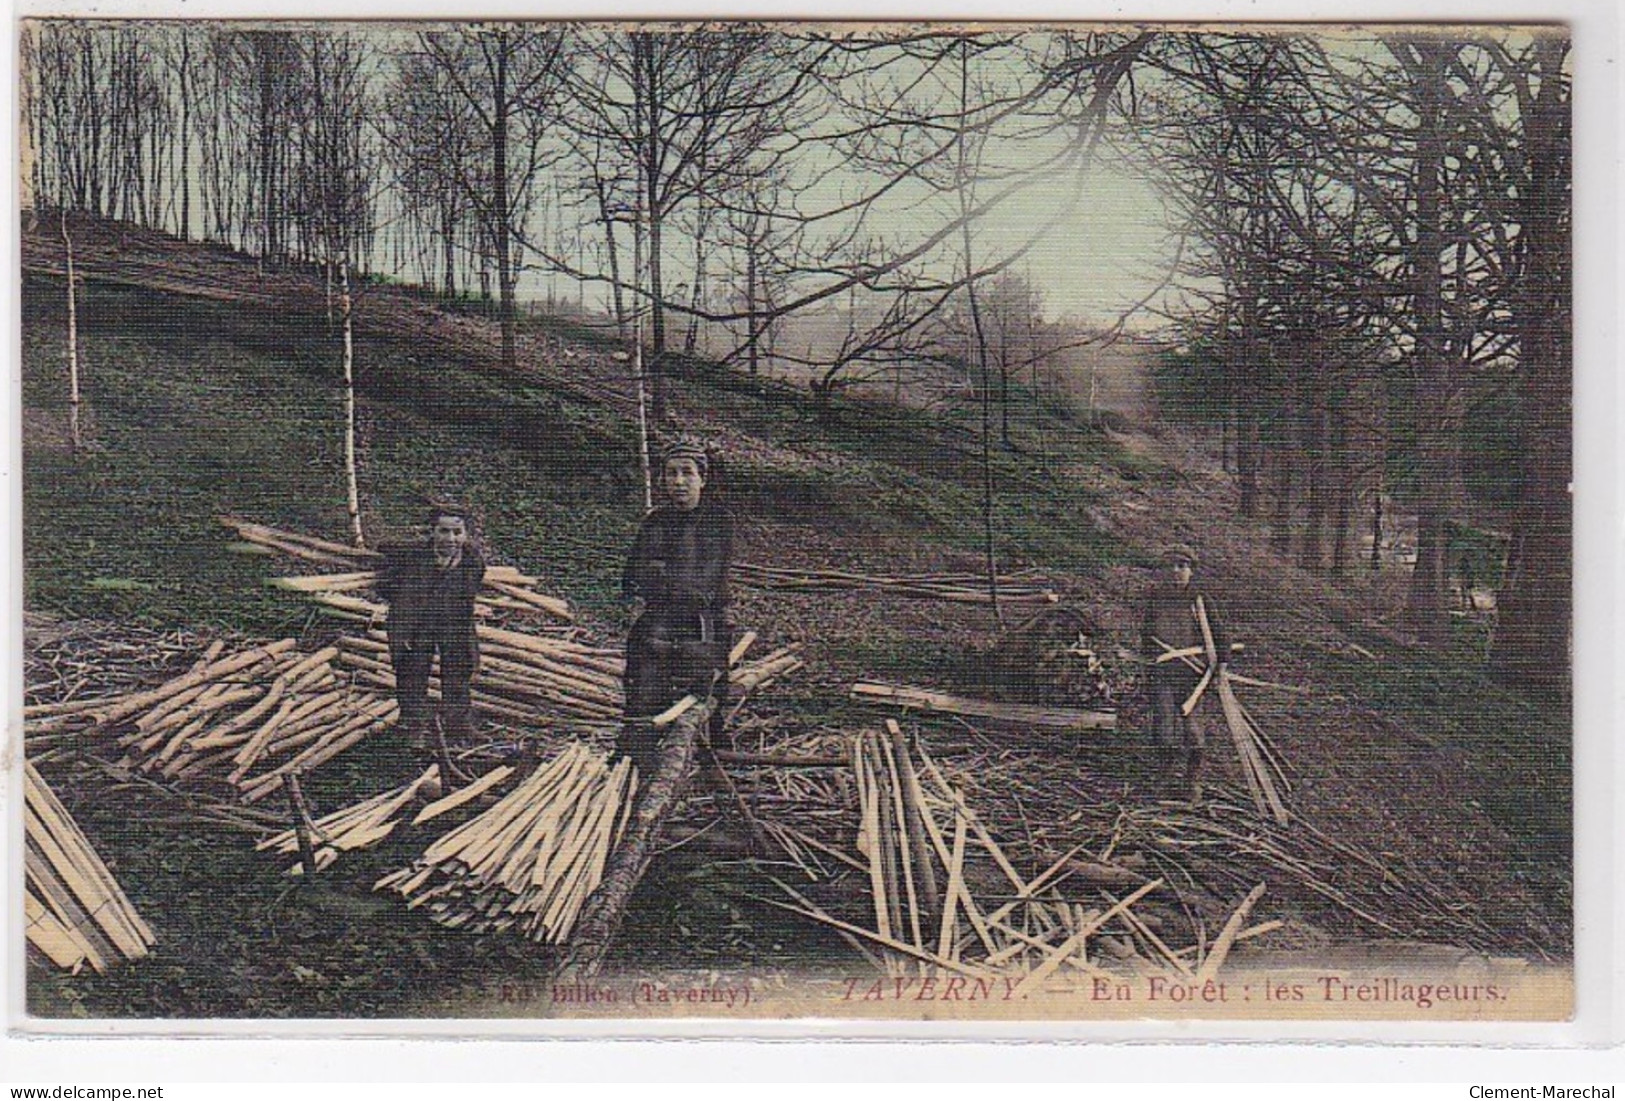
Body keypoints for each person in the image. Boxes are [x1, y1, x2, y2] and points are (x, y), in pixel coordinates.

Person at [616, 438, 734, 772]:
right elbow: (633, 575)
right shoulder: (655, 522)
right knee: (643, 673)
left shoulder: (718, 521)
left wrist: (663, 577)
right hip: (659, 616)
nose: (678, 482)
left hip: (701, 618)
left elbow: (706, 579)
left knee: (703, 685)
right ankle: (636, 745)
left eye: (687, 473)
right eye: (671, 474)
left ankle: (705, 747)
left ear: (702, 479)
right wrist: (649, 587)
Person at [377, 501, 486, 762]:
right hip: (417, 623)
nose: (451, 539)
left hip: (453, 622)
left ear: (466, 534)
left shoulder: (472, 562)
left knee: (459, 671)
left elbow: (469, 594)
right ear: (432, 532)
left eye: (457, 532)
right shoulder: (412, 555)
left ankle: (457, 725)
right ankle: (414, 728)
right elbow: (383, 562)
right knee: (412, 674)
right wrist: (406, 608)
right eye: (444, 531)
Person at [1140, 543, 1229, 801]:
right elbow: (1146, 636)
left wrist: (1219, 669)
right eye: (1169, 566)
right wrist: (1149, 664)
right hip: (1163, 674)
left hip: (1193, 677)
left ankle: (1192, 781)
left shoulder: (1199, 600)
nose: (1175, 571)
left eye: (1182, 566)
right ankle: (1165, 774)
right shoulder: (1156, 598)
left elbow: (1221, 637)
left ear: (1191, 570)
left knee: (1193, 731)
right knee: (1164, 728)